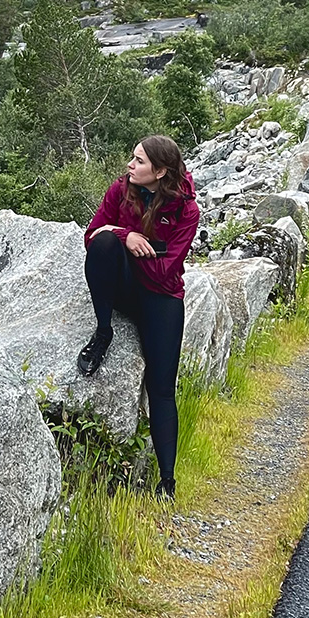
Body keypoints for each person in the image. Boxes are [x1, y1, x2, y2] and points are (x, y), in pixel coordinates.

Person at [78, 135, 200, 500]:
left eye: (139, 161)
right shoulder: (121, 189)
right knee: (103, 246)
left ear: (160, 171)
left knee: (161, 387)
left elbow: (166, 272)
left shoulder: (186, 210)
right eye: (132, 158)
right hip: (128, 286)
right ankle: (103, 332)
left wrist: (131, 254)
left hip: (161, 297)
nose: (130, 165)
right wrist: (125, 235)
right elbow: (91, 237)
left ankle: (166, 482)